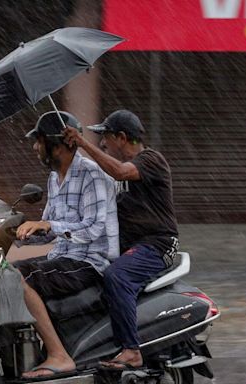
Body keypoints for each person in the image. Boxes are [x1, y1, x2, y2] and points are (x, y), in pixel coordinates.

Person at [63, 109, 179, 370]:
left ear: (122, 138)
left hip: (158, 245)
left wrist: (82, 143)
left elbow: (121, 172)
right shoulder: (115, 174)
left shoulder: (151, 160)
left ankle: (131, 350)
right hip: (131, 247)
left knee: (117, 276)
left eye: (106, 137)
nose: (102, 143)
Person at [14, 110, 119, 378]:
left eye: (39, 141)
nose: (35, 148)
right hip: (62, 258)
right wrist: (16, 233)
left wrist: (50, 226)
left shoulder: (91, 174)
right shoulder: (54, 178)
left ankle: (58, 355)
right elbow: (49, 229)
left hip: (88, 262)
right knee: (2, 271)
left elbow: (93, 229)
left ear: (57, 145)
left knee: (17, 277)